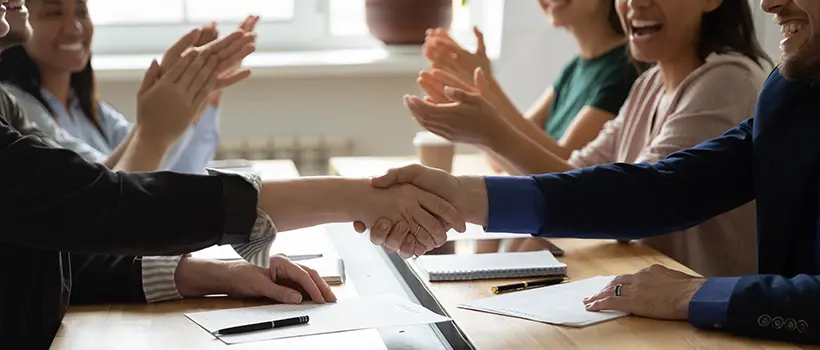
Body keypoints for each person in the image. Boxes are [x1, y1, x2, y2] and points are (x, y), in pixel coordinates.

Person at [0, 4, 460, 348]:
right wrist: (355, 197)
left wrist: (221, 275)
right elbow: (106, 207)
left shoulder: (11, 108)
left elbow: (64, 248)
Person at [362, 0, 820, 344]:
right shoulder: (789, 94)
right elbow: (659, 190)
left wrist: (696, 294)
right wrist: (469, 197)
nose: (768, 2)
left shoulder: (730, 80)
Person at [412, 0, 770, 277]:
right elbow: (576, 175)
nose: (635, 3)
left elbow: (633, 203)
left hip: (698, 312)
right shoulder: (648, 84)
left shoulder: (726, 81)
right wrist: (483, 129)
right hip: (644, 290)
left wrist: (490, 131)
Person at [0, 0, 252, 174]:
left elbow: (172, 171)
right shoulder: (17, 106)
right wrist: (154, 123)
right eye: (54, 13)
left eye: (81, 12)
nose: (74, 27)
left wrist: (200, 90)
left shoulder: (89, 108)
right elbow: (98, 188)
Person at [422, 0, 640, 172]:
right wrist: (473, 92)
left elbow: (564, 168)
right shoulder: (574, 68)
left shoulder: (627, 69)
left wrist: (486, 86)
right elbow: (504, 158)